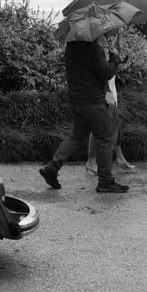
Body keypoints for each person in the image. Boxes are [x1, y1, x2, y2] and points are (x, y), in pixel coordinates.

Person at [39, 34, 128, 195]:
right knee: (106, 138)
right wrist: (115, 59)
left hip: (77, 101)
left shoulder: (70, 48)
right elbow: (106, 73)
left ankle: (52, 167)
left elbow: (92, 71)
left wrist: (111, 58)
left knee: (76, 136)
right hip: (94, 101)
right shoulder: (93, 49)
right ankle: (105, 181)